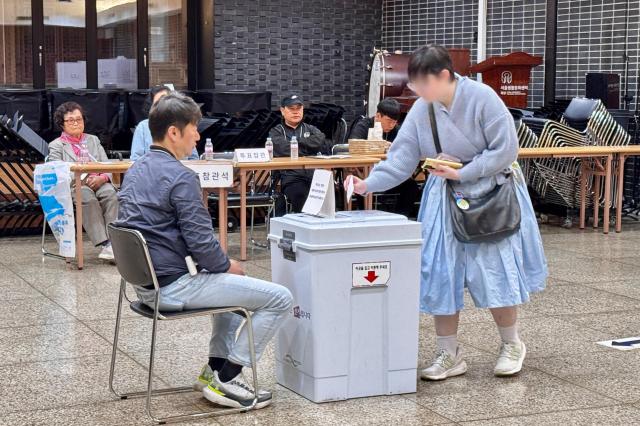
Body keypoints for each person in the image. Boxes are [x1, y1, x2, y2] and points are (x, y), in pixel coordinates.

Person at [345, 45, 547, 380]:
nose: (419, 93)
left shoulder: (482, 98)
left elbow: (506, 149)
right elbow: (402, 158)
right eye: (414, 87)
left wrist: (464, 172)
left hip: (489, 193)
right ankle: (448, 352)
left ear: (444, 76)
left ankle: (511, 344)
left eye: (423, 85)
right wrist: (368, 185)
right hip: (444, 196)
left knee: (494, 269)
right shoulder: (423, 110)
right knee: (440, 270)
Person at [115, 92, 293, 409]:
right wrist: (227, 264)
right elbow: (202, 247)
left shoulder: (135, 170)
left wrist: (222, 266)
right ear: (174, 132)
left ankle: (213, 369)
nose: (198, 135)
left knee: (230, 286)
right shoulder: (182, 177)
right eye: (194, 128)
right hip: (171, 287)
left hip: (144, 286)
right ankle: (227, 377)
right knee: (280, 297)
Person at [48, 102, 118, 261]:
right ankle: (105, 243)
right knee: (86, 197)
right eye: (70, 120)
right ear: (62, 124)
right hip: (76, 186)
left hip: (99, 181)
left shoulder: (93, 140)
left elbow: (106, 164)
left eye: (79, 119)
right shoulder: (57, 146)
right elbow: (57, 171)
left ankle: (115, 243)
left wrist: (102, 178)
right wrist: (84, 178)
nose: (76, 123)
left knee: (110, 194)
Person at [350, 98, 420, 217]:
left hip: (390, 173)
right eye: (388, 121)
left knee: (411, 186)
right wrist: (381, 146)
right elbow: (354, 145)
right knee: (361, 184)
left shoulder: (397, 130)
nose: (392, 125)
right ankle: (363, 216)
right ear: (378, 116)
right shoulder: (364, 126)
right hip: (366, 172)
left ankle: (400, 216)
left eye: (395, 122)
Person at [270, 94, 328, 212]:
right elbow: (282, 149)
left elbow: (320, 140)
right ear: (282, 111)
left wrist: (295, 145)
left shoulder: (310, 128)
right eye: (292, 109)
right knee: (301, 194)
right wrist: (309, 147)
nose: (296, 112)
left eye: (299, 109)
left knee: (330, 195)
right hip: (291, 176)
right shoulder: (276, 131)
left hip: (315, 175)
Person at [130, 86, 199, 161]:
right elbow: (136, 159)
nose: (164, 107)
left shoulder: (184, 123)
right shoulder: (143, 127)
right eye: (159, 103)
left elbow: (194, 158)